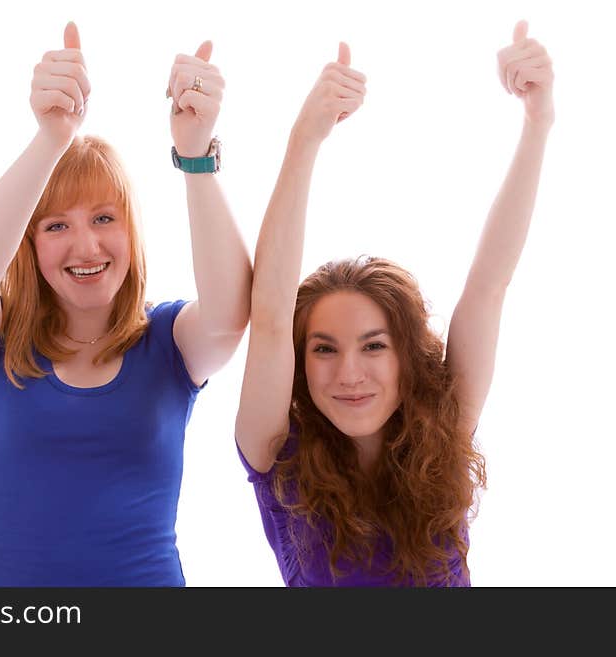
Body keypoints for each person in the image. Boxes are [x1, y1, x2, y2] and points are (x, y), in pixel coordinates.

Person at [235, 21, 554, 586]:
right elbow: (269, 314)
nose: (349, 373)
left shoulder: (444, 432)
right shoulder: (277, 456)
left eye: (374, 345)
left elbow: (489, 283)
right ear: (299, 364)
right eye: (324, 349)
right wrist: (304, 139)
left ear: (407, 356)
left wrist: (537, 124)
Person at [0, 22, 251, 586]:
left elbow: (231, 316)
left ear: (130, 231)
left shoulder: (167, 341)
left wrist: (197, 154)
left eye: (104, 218)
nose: (87, 246)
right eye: (57, 225)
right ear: (29, 244)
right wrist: (51, 138)